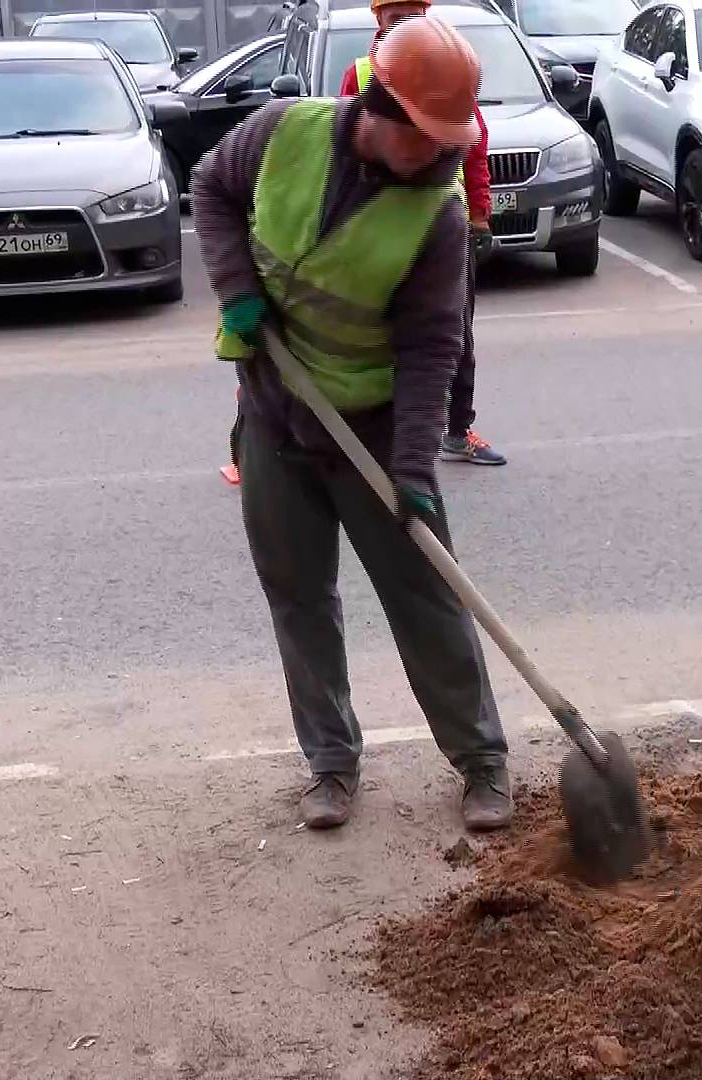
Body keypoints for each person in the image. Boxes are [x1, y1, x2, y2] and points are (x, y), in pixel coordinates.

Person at [191, 15, 514, 832]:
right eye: (430, 139)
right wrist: (236, 290)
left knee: (424, 593)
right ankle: (331, 766)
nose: (445, 156)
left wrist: (412, 471)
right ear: (381, 109)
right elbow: (211, 188)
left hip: (370, 426)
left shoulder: (434, 215)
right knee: (298, 593)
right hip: (274, 413)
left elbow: (433, 348)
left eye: (453, 141)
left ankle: (482, 762)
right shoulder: (281, 132)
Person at [342, 0, 508, 468]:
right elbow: (346, 143)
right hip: (386, 223)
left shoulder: (445, 66)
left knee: (454, 333)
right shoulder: (361, 74)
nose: (406, 25)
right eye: (397, 18)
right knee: (384, 331)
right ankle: (388, 431)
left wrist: (479, 215)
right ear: (379, 21)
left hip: (442, 218)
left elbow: (474, 142)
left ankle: (458, 429)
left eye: (414, 16)